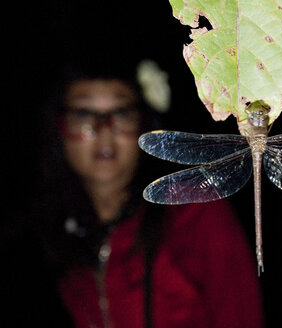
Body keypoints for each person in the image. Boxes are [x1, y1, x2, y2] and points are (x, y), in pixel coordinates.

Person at [32, 58, 263, 328]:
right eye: (84, 115)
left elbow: (242, 315)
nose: (104, 130)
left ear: (145, 126)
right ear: (59, 129)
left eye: (121, 114)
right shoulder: (59, 229)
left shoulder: (194, 207)